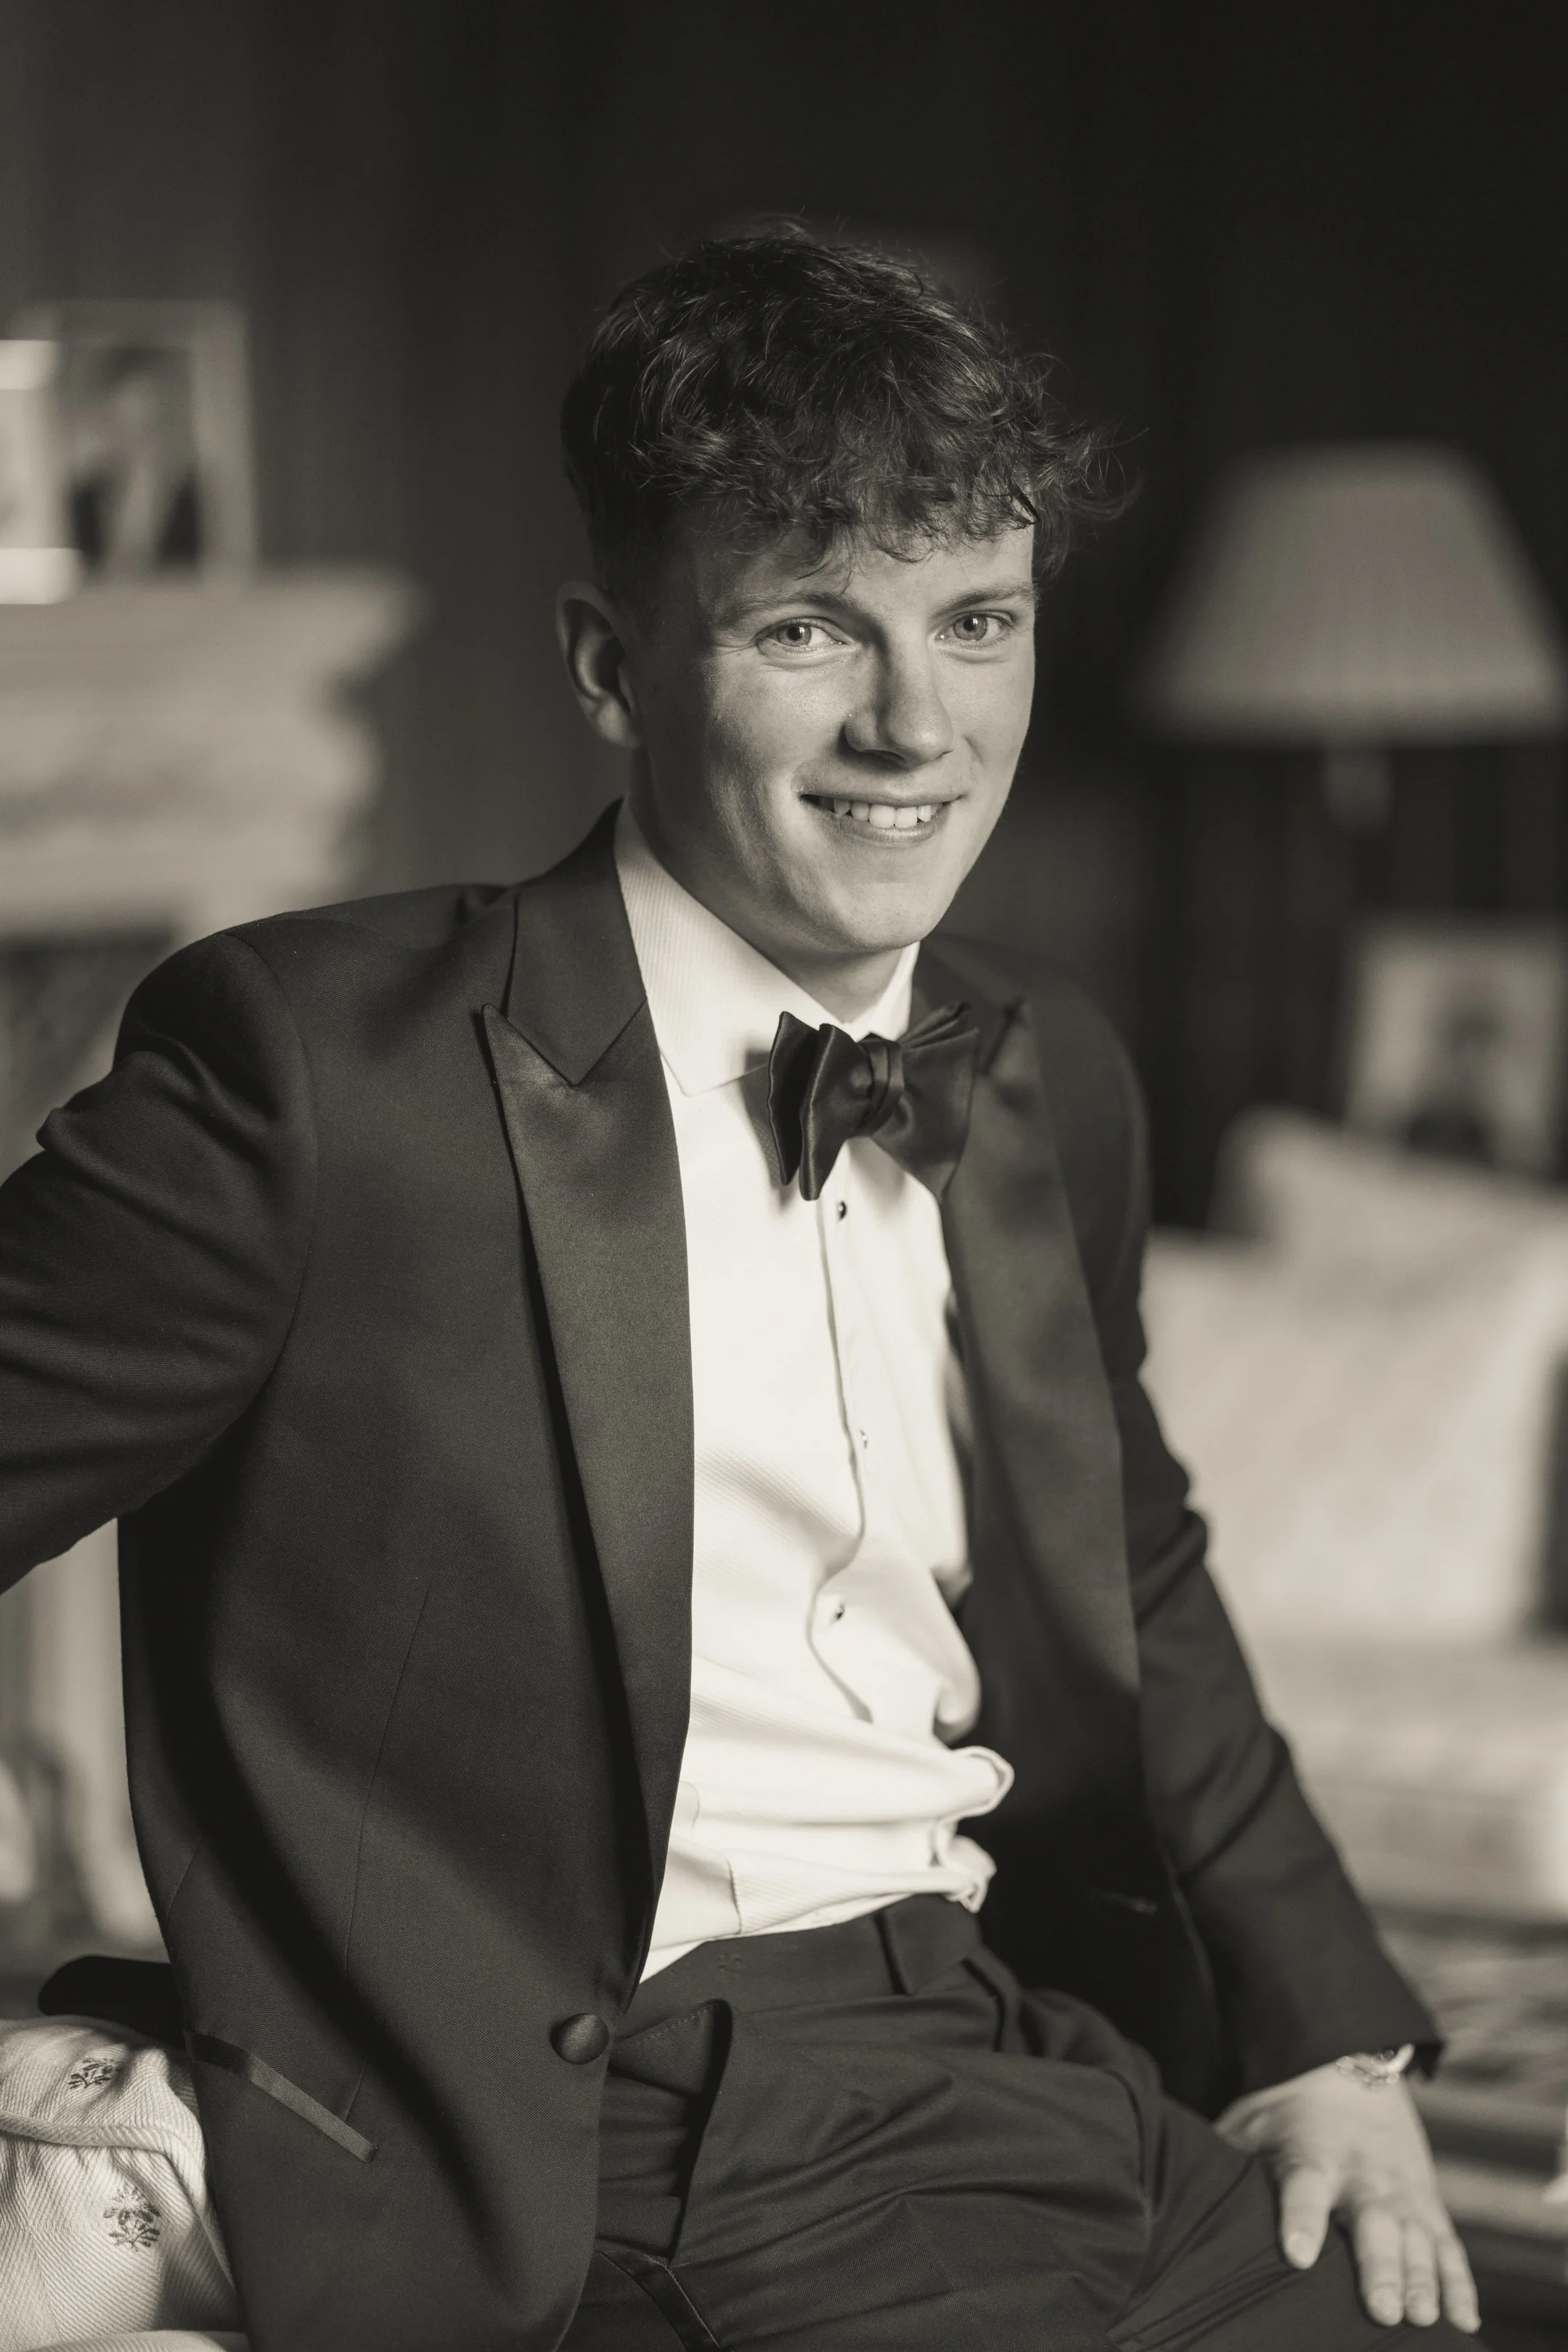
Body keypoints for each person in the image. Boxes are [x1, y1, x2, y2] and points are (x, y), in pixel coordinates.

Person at [0, 232, 1480, 2351]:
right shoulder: (324, 1077)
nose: (919, 722)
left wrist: (1326, 2038)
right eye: (812, 628)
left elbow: (1136, 1569)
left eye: (979, 622)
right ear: (612, 666)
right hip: (611, 2111)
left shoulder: (1044, 1059)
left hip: (1006, 2040)